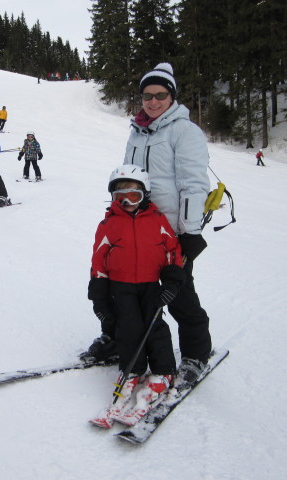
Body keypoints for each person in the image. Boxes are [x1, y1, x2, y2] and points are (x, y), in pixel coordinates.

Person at [84, 62, 213, 391]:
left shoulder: (184, 132)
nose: (153, 101)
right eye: (147, 96)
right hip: (133, 223)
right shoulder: (137, 131)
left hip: (169, 230)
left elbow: (194, 186)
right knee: (121, 289)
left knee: (178, 292)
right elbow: (129, 175)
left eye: (160, 95)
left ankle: (197, 353)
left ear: (172, 96)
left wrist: (191, 231)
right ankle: (116, 338)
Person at [89, 165, 184, 425]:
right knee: (128, 329)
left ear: (146, 195)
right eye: (121, 197)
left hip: (151, 286)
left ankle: (163, 371)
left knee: (155, 327)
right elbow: (99, 260)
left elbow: (172, 251)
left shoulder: (157, 220)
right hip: (121, 288)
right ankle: (133, 369)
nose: (128, 202)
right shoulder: (108, 224)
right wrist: (99, 296)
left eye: (134, 195)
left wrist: (172, 281)